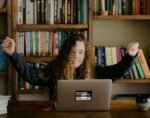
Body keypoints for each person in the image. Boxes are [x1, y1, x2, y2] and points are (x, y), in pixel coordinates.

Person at [2, 34, 139, 100]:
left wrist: (130, 56)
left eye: (80, 52)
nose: (76, 57)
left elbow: (116, 71)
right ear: (66, 53)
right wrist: (13, 54)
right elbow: (30, 74)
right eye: (72, 52)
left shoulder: (93, 70)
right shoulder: (55, 70)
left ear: (85, 54)